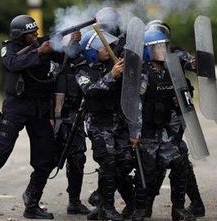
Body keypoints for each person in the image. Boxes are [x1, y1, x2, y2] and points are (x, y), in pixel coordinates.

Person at [0, 15, 77, 220]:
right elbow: (13, 63)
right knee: (1, 152)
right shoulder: (9, 48)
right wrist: (38, 51)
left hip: (39, 109)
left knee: (46, 156)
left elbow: (65, 62)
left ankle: (32, 203)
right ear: (19, 36)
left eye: (36, 32)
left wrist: (70, 45)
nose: (35, 35)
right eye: (30, 34)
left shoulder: (44, 44)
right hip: (16, 107)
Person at [130, 25, 196, 221]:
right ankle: (141, 209)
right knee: (147, 173)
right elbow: (135, 105)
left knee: (180, 164)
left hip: (166, 131)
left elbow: (185, 99)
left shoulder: (173, 70)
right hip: (147, 134)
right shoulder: (142, 75)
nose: (163, 50)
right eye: (158, 46)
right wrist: (135, 134)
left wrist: (181, 102)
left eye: (164, 46)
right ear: (147, 50)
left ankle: (178, 209)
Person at [75, 29, 140, 221]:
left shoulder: (116, 63)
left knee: (126, 162)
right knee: (109, 162)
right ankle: (108, 209)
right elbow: (90, 92)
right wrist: (112, 76)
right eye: (103, 46)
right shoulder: (83, 70)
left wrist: (128, 72)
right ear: (91, 51)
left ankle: (107, 205)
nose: (108, 48)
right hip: (99, 125)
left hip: (119, 123)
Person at [52, 33, 90, 215]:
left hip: (75, 116)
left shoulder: (83, 60)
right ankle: (32, 198)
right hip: (53, 118)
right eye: (70, 40)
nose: (74, 44)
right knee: (48, 159)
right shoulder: (53, 60)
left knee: (77, 158)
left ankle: (74, 201)